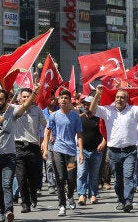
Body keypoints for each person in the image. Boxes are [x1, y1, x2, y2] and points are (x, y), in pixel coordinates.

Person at [88, 85, 138, 213]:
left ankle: (128, 201)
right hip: (114, 151)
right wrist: (97, 94)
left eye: (122, 97)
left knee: (128, 176)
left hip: (130, 150)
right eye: (117, 97)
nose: (119, 99)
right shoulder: (108, 110)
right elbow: (92, 111)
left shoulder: (133, 110)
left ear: (127, 99)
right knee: (118, 179)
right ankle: (121, 200)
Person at [0, 87, 39, 222]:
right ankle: (0, 211)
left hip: (10, 156)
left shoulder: (12, 111)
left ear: (6, 100)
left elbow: (25, 105)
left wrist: (35, 92)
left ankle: (9, 211)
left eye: (1, 99)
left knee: (6, 184)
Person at [42, 89, 84, 217]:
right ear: (58, 100)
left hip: (71, 152)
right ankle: (62, 205)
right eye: (61, 98)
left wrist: (80, 153)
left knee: (71, 178)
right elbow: (47, 131)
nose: (63, 100)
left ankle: (70, 195)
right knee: (60, 178)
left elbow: (80, 135)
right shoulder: (54, 115)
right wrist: (44, 147)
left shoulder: (75, 116)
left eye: (66, 97)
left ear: (70, 100)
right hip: (58, 150)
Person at [14, 88, 47, 213]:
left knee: (34, 177)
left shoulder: (37, 110)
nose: (26, 99)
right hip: (18, 147)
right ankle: (25, 203)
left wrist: (46, 139)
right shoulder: (15, 109)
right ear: (19, 98)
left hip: (33, 147)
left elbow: (45, 125)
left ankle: (33, 195)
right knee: (21, 178)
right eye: (24, 96)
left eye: (29, 96)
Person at [76, 95, 107, 206]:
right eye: (84, 104)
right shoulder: (80, 118)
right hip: (83, 150)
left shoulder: (100, 118)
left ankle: (93, 194)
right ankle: (82, 195)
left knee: (94, 174)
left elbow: (105, 132)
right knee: (81, 173)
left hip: (96, 151)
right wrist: (79, 151)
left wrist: (103, 143)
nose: (86, 106)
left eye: (88, 104)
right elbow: (78, 135)